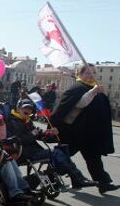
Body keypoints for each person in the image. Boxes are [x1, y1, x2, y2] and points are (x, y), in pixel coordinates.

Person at [50, 63, 118, 194]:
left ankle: (103, 184)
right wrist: (93, 92)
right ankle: (48, 178)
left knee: (94, 159)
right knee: (63, 158)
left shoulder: (94, 88)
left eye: (94, 73)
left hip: (88, 134)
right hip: (73, 133)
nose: (92, 76)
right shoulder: (77, 88)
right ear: (80, 74)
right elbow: (77, 104)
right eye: (88, 73)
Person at [6, 99, 97, 188]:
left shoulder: (27, 120)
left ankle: (71, 177)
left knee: (62, 150)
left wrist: (49, 133)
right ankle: (76, 178)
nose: (28, 110)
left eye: (30, 108)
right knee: (57, 153)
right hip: (23, 152)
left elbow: (40, 134)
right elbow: (20, 139)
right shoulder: (13, 121)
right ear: (18, 109)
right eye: (24, 108)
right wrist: (34, 133)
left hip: (32, 150)